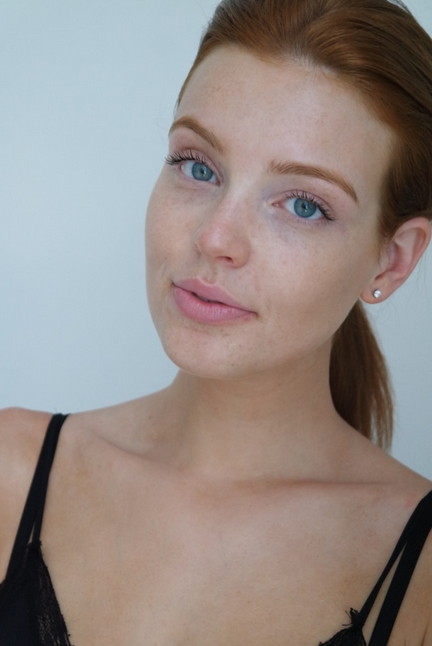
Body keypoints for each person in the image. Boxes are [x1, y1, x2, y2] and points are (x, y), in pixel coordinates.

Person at [1, 0, 432, 643]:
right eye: (198, 167)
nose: (215, 237)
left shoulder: (421, 572)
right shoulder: (10, 471)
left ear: (392, 260)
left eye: (303, 205)